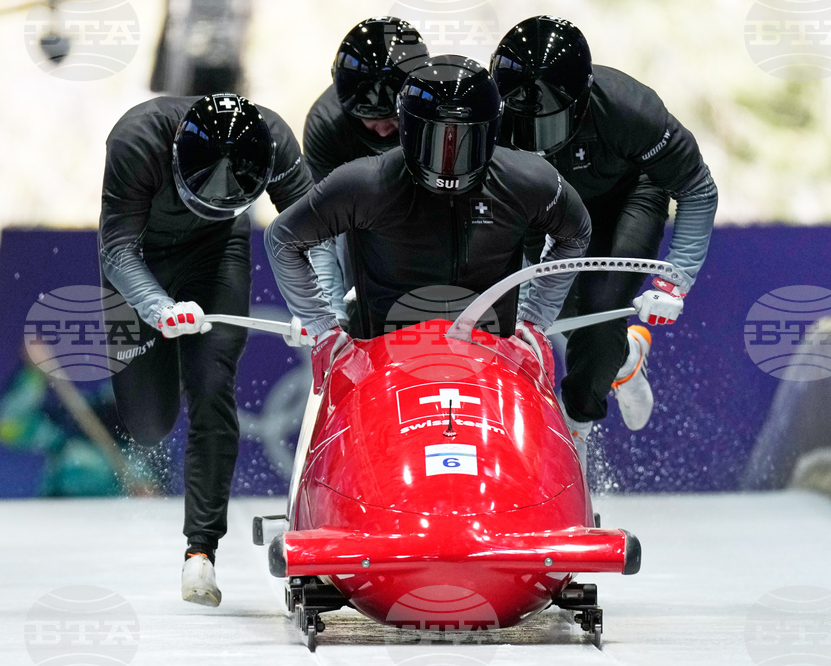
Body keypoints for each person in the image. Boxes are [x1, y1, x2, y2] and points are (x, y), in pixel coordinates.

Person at [98, 94, 312, 606]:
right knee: (148, 424)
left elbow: (320, 229)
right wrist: (157, 308)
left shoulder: (273, 140)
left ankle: (201, 552)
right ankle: (162, 360)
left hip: (217, 252)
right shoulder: (134, 140)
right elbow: (117, 250)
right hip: (138, 258)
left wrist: (321, 304)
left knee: (213, 386)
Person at [266, 56, 591, 390]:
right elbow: (284, 239)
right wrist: (323, 327)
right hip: (380, 366)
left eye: (463, 140)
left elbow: (575, 233)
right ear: (407, 128)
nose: (448, 159)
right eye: (434, 139)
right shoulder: (365, 183)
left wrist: (535, 318)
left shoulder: (526, 180)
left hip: (492, 365)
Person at [490, 16, 718, 465]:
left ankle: (576, 430)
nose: (539, 140)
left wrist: (676, 281)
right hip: (542, 208)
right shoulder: (486, 118)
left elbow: (697, 187)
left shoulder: (629, 109)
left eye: (550, 122)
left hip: (624, 199)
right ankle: (626, 358)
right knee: (550, 315)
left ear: (583, 101)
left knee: (599, 312)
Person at [304, 17, 429, 330]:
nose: (383, 131)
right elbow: (323, 231)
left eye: (393, 119)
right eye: (370, 120)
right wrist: (329, 312)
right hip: (363, 217)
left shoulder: (443, 111)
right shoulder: (327, 125)